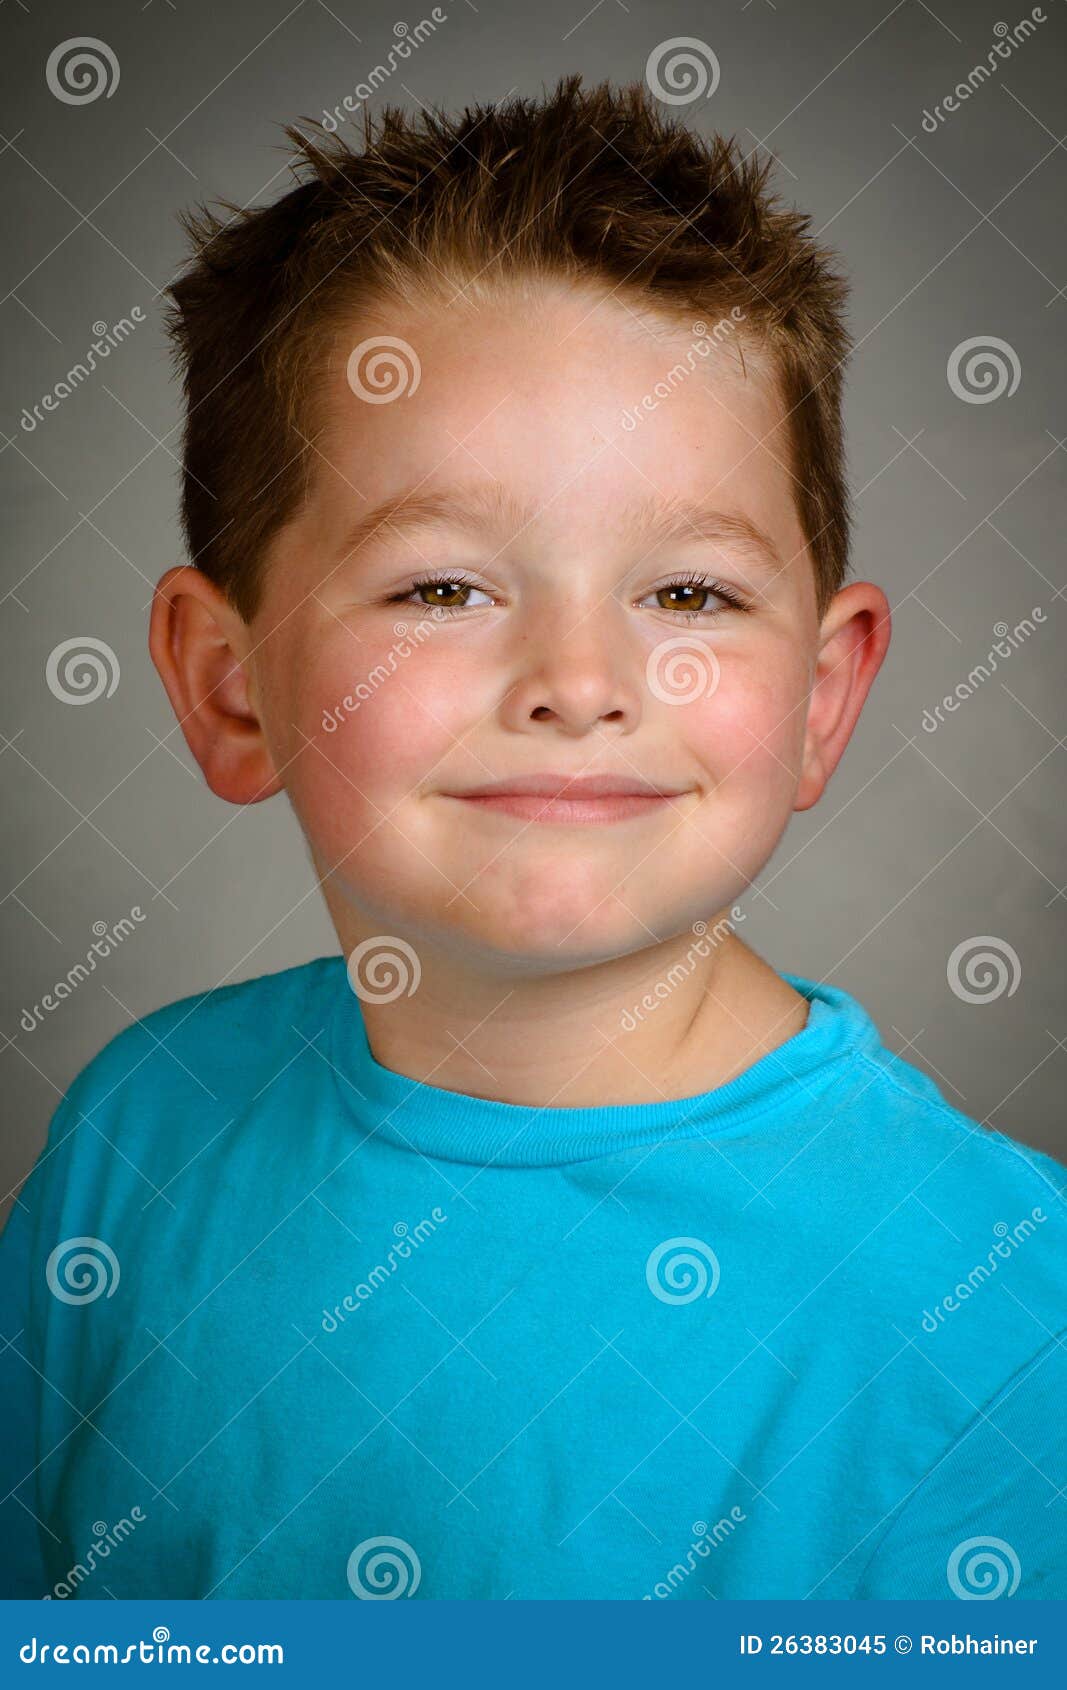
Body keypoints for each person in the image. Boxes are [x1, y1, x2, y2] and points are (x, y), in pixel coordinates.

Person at [2, 75, 1064, 1601]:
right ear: (229, 687)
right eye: (442, 587)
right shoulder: (140, 1134)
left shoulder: (1007, 1310)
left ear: (823, 697)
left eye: (689, 591)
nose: (578, 683)